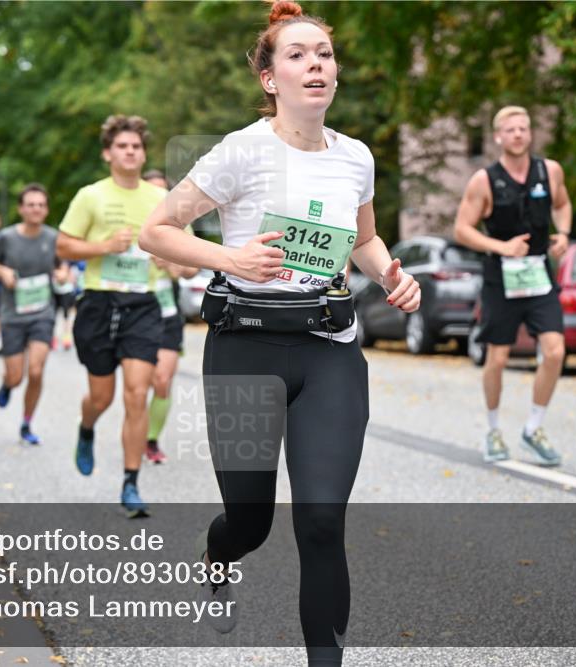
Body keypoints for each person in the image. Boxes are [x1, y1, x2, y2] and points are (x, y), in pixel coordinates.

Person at [139, 3, 421, 663]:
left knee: (321, 521)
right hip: (245, 348)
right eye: (297, 55)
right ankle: (218, 552)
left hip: (329, 348)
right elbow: (157, 230)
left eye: (322, 54)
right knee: (250, 520)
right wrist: (231, 259)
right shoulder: (241, 151)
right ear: (270, 78)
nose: (314, 64)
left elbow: (367, 239)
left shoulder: (354, 157)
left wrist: (389, 277)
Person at [56, 114, 169, 518]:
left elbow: (187, 263)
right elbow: (65, 247)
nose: (130, 152)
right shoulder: (91, 196)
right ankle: (86, 428)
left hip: (142, 304)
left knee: (137, 393)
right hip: (99, 303)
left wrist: (169, 257)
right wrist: (104, 245)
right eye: (122, 146)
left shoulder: (160, 200)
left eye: (137, 146)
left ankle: (130, 482)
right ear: (108, 153)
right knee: (101, 397)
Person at [454, 105, 571, 467]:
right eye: (511, 129)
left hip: (538, 274)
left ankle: (533, 428)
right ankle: (493, 430)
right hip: (501, 277)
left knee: (554, 352)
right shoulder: (484, 180)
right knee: (498, 357)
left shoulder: (549, 171)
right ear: (499, 137)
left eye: (524, 128)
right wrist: (501, 246)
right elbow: (462, 229)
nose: (518, 133)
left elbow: (563, 205)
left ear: (530, 133)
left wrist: (563, 233)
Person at [0, 184, 61, 444]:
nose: (36, 209)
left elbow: (63, 266)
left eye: (41, 205)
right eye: (31, 204)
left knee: (37, 371)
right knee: (17, 376)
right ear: (21, 209)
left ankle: (27, 423)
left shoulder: (53, 238)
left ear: (46, 209)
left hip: (43, 313)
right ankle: (7, 384)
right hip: (13, 315)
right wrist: (3, 272)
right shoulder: (7, 237)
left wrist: (63, 274)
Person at [141, 170, 198, 464]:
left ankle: (151, 440)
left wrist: (172, 265)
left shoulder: (176, 224)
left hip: (167, 312)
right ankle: (134, 428)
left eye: (163, 192)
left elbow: (192, 268)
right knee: (138, 383)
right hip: (132, 311)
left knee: (162, 380)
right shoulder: (130, 221)